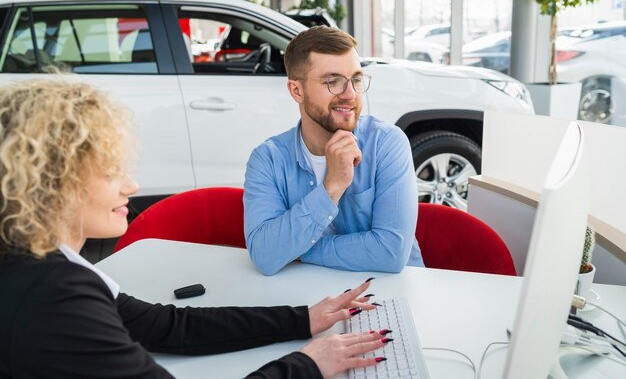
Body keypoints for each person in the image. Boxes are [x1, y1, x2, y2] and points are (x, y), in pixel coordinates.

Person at [0, 78, 390, 379]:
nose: (131, 186)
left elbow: (165, 326)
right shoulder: (54, 298)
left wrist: (302, 318)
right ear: (51, 182)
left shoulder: (35, 259)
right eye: (108, 172)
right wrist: (307, 365)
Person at [244, 26, 424, 276]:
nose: (350, 94)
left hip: (392, 295)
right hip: (308, 298)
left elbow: (391, 253)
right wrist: (333, 185)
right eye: (333, 82)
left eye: (356, 79)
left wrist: (295, 250)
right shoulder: (267, 159)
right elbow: (264, 256)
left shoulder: (387, 143)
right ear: (297, 90)